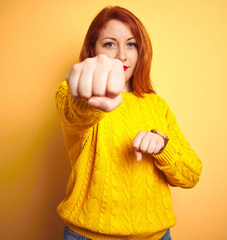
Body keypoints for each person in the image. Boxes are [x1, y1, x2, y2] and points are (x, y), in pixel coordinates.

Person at [55, 6, 202, 240]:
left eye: (131, 44)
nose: (122, 55)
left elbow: (191, 174)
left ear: (140, 51)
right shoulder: (72, 94)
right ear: (93, 49)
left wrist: (163, 147)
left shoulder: (157, 105)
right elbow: (76, 114)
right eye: (110, 44)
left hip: (156, 236)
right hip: (89, 236)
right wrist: (88, 97)